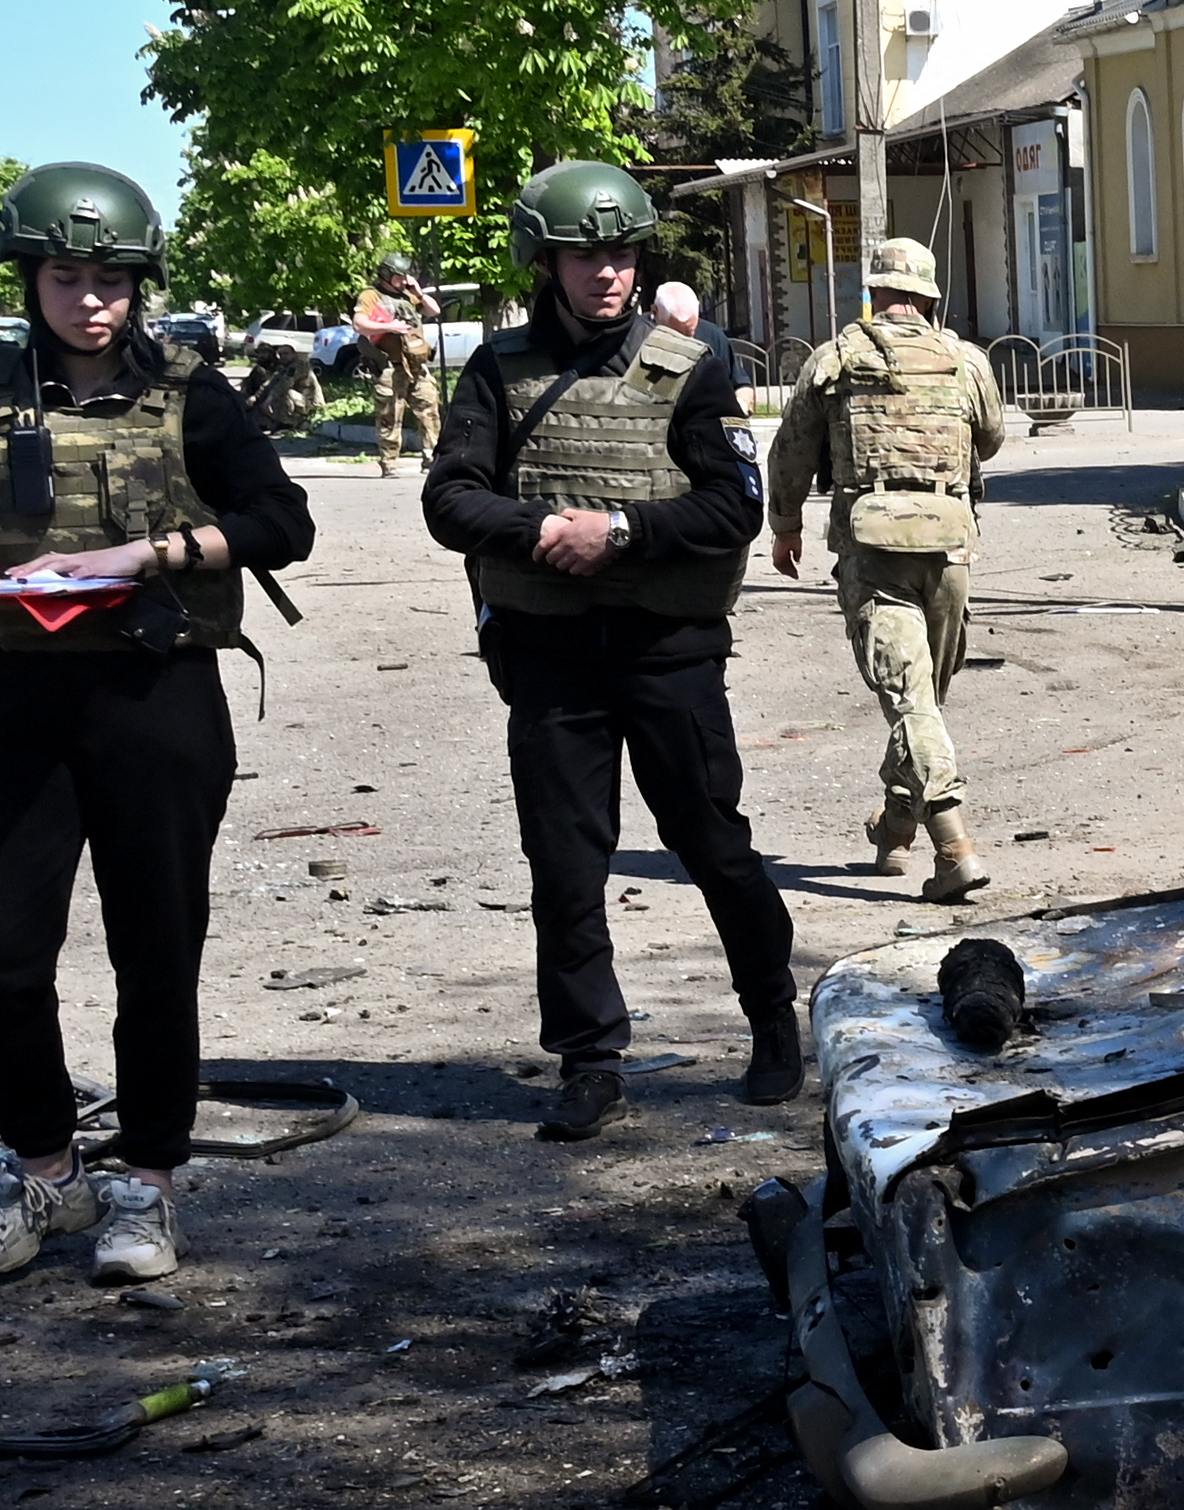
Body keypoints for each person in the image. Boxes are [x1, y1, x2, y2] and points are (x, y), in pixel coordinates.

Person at [0, 161, 316, 1285]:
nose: (90, 297)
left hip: (157, 697)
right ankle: (46, 1170)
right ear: (31, 280)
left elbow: (280, 522)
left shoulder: (196, 394)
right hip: (17, 702)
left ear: (139, 283)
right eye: (66, 275)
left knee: (157, 947)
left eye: (110, 277)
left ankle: (147, 1183)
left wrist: (144, 553)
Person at [428, 161, 805, 1134]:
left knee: (710, 841)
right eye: (586, 253)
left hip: (667, 649)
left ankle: (772, 1017)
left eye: (622, 252)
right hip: (551, 654)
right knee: (565, 860)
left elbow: (735, 502)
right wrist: (542, 530)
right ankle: (589, 1059)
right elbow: (451, 496)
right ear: (545, 260)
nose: (607, 272)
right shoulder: (497, 370)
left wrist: (624, 534)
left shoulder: (690, 367)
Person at [766, 236, 1015, 904]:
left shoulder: (837, 359)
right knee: (920, 702)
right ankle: (899, 830)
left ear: (872, 296)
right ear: (932, 300)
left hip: (873, 555)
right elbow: (991, 437)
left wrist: (785, 527)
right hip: (950, 553)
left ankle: (957, 850)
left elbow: (791, 452)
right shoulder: (965, 361)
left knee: (911, 705)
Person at [354, 266, 443, 481]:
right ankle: (390, 463)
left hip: (417, 367)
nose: (403, 280)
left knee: (429, 412)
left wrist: (419, 292)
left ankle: (432, 459)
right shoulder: (371, 296)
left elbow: (434, 311)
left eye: (405, 276)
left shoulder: (409, 295)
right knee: (389, 416)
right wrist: (390, 327)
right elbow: (359, 324)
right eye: (398, 276)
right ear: (386, 276)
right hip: (391, 367)